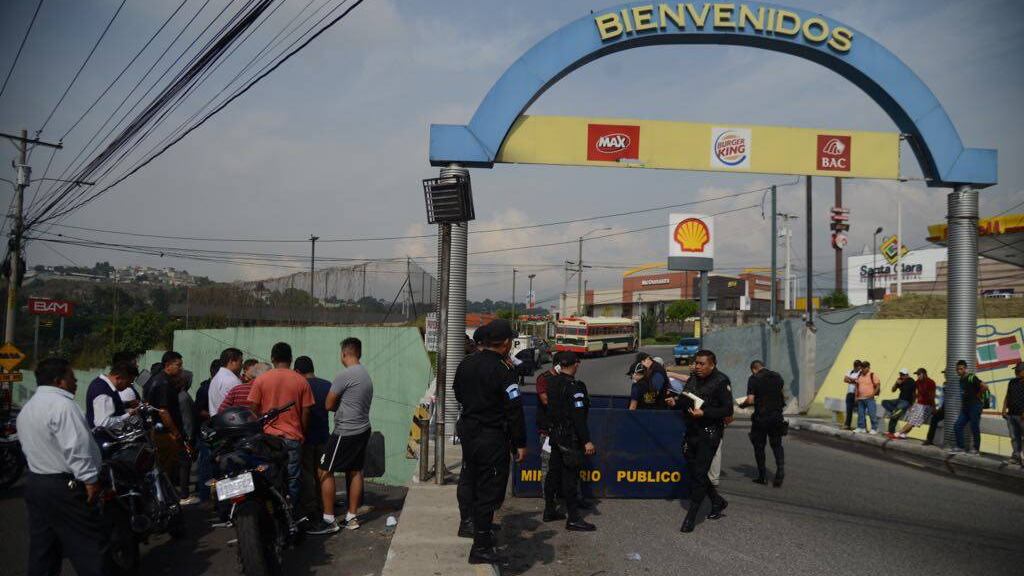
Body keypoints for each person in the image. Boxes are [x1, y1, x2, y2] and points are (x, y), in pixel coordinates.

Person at [18, 358, 110, 576]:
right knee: (89, 547)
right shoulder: (63, 406)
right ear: (59, 381)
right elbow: (77, 447)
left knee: (44, 550)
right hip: (64, 487)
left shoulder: (28, 408)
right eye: (72, 377)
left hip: (36, 483)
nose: (76, 381)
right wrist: (90, 480)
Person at [452, 319, 527, 565]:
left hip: (469, 430)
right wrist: (520, 443)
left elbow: (457, 392)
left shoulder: (467, 363)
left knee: (470, 477)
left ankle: (471, 524)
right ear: (505, 343)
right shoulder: (504, 370)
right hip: (491, 435)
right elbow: (514, 410)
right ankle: (481, 547)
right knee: (489, 488)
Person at [308, 339, 375, 535]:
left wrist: (340, 405)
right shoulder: (365, 374)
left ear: (344, 354)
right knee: (355, 470)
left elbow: (328, 404)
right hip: (363, 428)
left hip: (345, 431)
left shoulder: (345, 375)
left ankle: (329, 519)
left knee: (324, 469)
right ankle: (351, 517)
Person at [665, 349, 733, 533]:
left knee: (700, 473)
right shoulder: (694, 378)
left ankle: (691, 517)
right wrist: (675, 402)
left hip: (710, 433)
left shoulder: (721, 381)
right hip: (692, 430)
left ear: (712, 365)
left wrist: (705, 413)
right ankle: (717, 501)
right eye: (696, 363)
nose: (698, 367)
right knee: (696, 471)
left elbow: (727, 410)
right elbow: (685, 398)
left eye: (702, 364)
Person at [248, 343, 314, 504]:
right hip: (293, 437)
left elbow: (253, 410)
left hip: (268, 439)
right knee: (293, 479)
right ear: (290, 359)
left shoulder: (261, 380)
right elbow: (306, 412)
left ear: (272, 358)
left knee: (269, 477)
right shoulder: (301, 381)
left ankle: (273, 510)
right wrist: (302, 432)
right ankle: (291, 511)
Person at [545, 351, 596, 532]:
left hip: (555, 435)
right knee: (570, 478)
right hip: (569, 437)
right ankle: (573, 518)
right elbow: (578, 417)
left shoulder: (551, 382)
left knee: (553, 473)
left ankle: (549, 509)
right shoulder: (575, 387)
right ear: (575, 364)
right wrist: (587, 441)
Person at [295, 356, 333, 531]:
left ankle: (311, 510)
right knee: (324, 474)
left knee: (308, 475)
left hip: (307, 437)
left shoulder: (300, 385)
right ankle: (325, 506)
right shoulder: (327, 385)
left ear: (297, 371)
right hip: (324, 436)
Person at [146, 351, 190, 494]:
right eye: (178, 365)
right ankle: (180, 496)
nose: (181, 368)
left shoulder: (160, 380)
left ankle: (171, 495)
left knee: (171, 464)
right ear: (168, 365)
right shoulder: (163, 383)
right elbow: (163, 411)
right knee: (177, 462)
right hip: (166, 433)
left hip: (162, 431)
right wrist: (175, 432)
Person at [740, 360, 786, 486]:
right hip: (777, 416)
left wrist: (742, 405)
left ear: (753, 369)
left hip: (761, 417)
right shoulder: (777, 376)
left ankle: (762, 476)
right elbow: (781, 394)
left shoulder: (753, 378)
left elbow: (750, 400)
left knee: (759, 446)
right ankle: (780, 471)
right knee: (777, 445)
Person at [195, 359, 220, 502]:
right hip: (207, 432)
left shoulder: (213, 386)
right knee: (206, 465)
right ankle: (205, 497)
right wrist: (214, 415)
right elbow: (199, 411)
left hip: (216, 431)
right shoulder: (205, 389)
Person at [85, 361, 139, 428]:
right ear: (118, 378)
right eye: (128, 382)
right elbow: (102, 423)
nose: (129, 386)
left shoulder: (100, 382)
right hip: (101, 434)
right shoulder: (104, 392)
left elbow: (108, 406)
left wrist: (127, 404)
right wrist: (129, 415)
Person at [952, 359, 988, 454]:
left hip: (975, 406)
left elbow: (985, 386)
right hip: (966, 407)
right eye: (957, 369)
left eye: (961, 369)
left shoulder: (971, 377)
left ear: (965, 369)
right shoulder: (961, 379)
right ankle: (961, 447)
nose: (959, 371)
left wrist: (978, 395)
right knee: (957, 425)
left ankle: (976, 449)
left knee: (974, 427)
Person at [892, 368, 936, 440]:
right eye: (917, 374)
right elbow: (914, 393)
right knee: (912, 420)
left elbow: (932, 396)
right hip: (918, 404)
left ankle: (898, 433)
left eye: (919, 374)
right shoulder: (918, 382)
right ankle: (903, 434)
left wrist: (933, 407)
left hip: (926, 406)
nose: (918, 376)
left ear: (924, 374)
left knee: (913, 421)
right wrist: (912, 404)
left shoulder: (931, 382)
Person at [208, 347, 244, 415]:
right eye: (240, 362)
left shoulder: (216, 378)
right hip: (229, 420)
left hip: (216, 419)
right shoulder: (233, 381)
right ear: (231, 361)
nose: (242, 366)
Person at [1001, 362, 1024, 466]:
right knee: (1014, 437)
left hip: (1022, 416)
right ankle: (1016, 457)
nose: (1016, 372)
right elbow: (1007, 395)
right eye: (1016, 370)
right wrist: (1004, 409)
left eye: (1019, 371)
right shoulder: (1012, 382)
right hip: (1011, 414)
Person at [882, 369, 916, 435]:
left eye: (903, 375)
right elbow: (893, 390)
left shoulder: (911, 381)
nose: (901, 376)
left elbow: (914, 394)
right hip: (899, 400)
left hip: (906, 401)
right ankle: (894, 412)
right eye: (900, 374)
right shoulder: (899, 379)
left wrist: (912, 404)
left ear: (907, 375)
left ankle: (891, 430)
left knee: (895, 415)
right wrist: (896, 383)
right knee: (884, 402)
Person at [854, 361, 881, 434]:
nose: (862, 369)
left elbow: (878, 385)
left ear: (868, 368)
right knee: (861, 414)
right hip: (860, 398)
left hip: (869, 399)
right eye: (862, 367)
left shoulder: (872, 375)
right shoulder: (859, 375)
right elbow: (857, 386)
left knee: (872, 414)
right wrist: (856, 396)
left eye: (864, 367)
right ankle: (861, 427)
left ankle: (874, 428)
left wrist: (873, 394)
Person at [843, 360, 862, 430]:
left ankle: (861, 426)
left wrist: (850, 379)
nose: (860, 368)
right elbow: (845, 379)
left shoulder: (860, 373)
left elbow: (858, 381)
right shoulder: (850, 371)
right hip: (849, 393)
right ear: (856, 366)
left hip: (857, 394)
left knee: (860, 411)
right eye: (859, 366)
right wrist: (853, 380)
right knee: (849, 410)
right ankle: (847, 425)